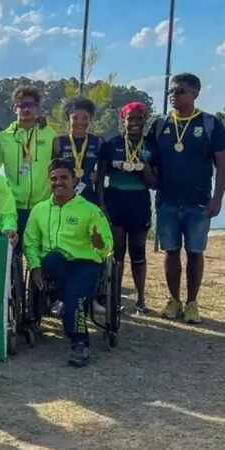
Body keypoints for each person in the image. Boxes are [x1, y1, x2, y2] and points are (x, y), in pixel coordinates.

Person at [148, 72, 225, 323]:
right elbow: (150, 160)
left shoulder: (210, 124)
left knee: (194, 252)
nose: (173, 95)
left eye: (179, 91)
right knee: (171, 252)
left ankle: (192, 303)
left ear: (195, 93)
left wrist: (217, 198)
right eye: (171, 91)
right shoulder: (160, 125)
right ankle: (174, 300)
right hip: (168, 200)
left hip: (198, 202)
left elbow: (222, 165)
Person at [24, 158, 113, 368]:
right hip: (54, 266)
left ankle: (80, 343)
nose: (59, 182)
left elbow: (108, 248)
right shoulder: (39, 210)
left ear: (74, 180)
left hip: (85, 263)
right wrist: (35, 267)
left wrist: (100, 244)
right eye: (54, 179)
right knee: (54, 257)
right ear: (49, 182)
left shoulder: (90, 210)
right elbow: (30, 242)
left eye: (64, 178)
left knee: (76, 294)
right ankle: (67, 303)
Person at [98, 102, 158, 313]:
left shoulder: (151, 145)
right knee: (117, 254)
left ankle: (141, 301)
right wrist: (102, 205)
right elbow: (100, 179)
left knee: (138, 253)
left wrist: (144, 168)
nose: (134, 123)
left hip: (139, 202)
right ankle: (114, 299)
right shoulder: (111, 144)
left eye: (138, 118)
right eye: (130, 118)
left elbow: (155, 183)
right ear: (122, 121)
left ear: (144, 121)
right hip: (115, 200)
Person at [0, 85, 58, 245]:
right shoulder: (3, 137)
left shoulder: (49, 133)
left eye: (30, 105)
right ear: (14, 108)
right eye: (22, 105)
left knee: (39, 256)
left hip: (43, 206)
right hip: (13, 207)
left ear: (37, 108)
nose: (26, 109)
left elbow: (60, 163)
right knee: (13, 257)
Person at [52, 97, 104, 205]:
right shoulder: (58, 142)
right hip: (64, 200)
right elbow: (51, 172)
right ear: (68, 119)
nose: (80, 122)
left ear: (91, 120)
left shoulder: (98, 142)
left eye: (85, 118)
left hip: (89, 200)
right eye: (75, 118)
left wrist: (98, 175)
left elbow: (102, 174)